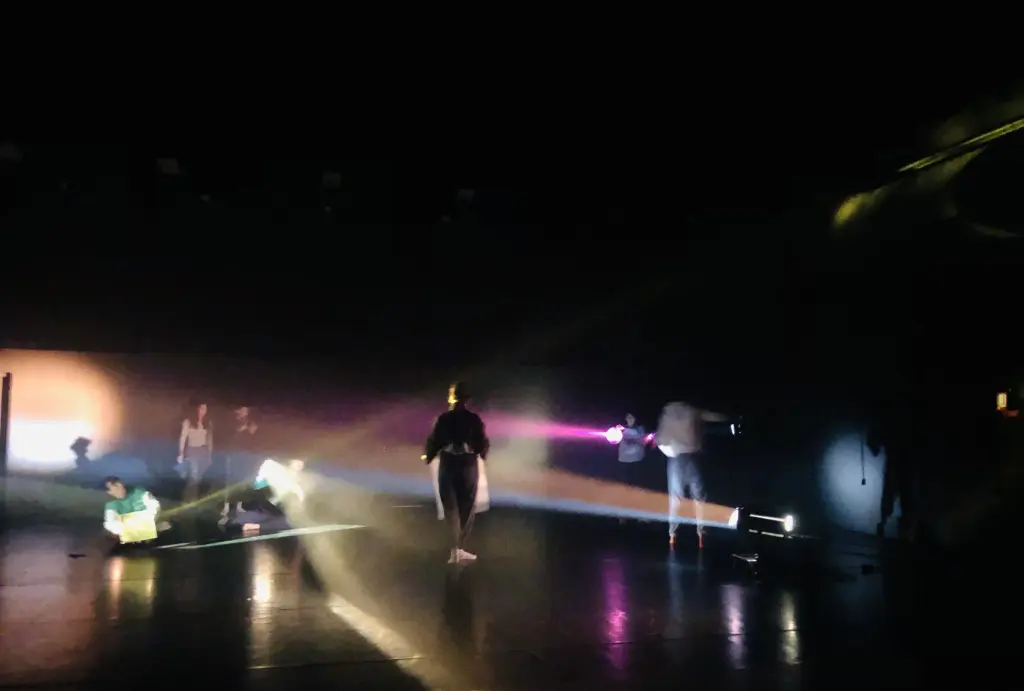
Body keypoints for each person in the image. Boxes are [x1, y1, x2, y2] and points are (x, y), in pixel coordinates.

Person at [423, 382, 490, 565]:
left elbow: (433, 441)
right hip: (466, 463)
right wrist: (480, 452)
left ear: (451, 398)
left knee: (452, 507)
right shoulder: (472, 419)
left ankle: (455, 549)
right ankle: (457, 549)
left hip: (450, 463)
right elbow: (482, 442)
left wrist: (429, 455)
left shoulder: (444, 418)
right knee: (464, 506)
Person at [656, 401, 727, 548]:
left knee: (676, 498)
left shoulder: (668, 412)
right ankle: (701, 535)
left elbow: (660, 439)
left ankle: (673, 536)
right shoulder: (692, 411)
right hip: (691, 457)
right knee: (699, 497)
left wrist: (667, 446)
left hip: (677, 458)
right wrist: (730, 418)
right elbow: (711, 416)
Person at [103, 476, 169, 545]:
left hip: (154, 531)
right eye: (115, 487)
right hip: (132, 539)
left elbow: (155, 506)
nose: (120, 488)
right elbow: (111, 524)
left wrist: (150, 525)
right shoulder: (110, 505)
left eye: (120, 484)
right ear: (109, 492)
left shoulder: (138, 491)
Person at [221, 405, 259, 521]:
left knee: (242, 483)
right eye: (243, 410)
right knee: (231, 483)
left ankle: (239, 506)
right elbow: (230, 438)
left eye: (246, 410)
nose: (245, 412)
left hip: (244, 457)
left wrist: (250, 430)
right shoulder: (234, 423)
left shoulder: (249, 423)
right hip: (234, 456)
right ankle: (226, 507)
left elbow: (253, 434)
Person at [178, 401, 213, 503]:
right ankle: (190, 498)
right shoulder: (188, 422)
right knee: (194, 475)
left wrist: (210, 453)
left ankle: (195, 497)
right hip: (192, 450)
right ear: (197, 409)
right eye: (202, 408)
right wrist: (181, 453)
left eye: (205, 409)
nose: (204, 411)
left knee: (199, 476)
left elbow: (209, 439)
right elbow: (183, 438)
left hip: (203, 450)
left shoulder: (208, 422)